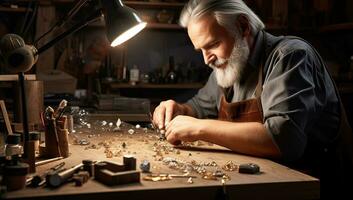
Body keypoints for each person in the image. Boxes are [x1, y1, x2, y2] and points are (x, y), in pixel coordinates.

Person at [152, 0, 353, 197]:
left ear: (243, 26)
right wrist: (178, 109)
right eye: (201, 50)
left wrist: (198, 128)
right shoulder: (227, 67)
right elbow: (197, 107)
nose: (207, 59)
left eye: (213, 44)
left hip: (314, 187)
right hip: (264, 184)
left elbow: (283, 140)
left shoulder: (290, 56)